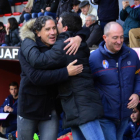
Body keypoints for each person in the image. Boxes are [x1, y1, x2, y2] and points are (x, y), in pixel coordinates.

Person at [20, 12, 105, 140]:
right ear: (38, 32)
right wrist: (65, 72)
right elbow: (36, 77)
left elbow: (81, 27)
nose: (53, 32)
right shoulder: (29, 48)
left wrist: (79, 37)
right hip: (30, 108)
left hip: (55, 109)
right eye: (47, 29)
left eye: (54, 27)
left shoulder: (65, 43)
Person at [89, 21, 140, 140]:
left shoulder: (132, 55)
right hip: (105, 116)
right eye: (115, 38)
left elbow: (138, 77)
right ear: (105, 38)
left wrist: (137, 94)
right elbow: (88, 85)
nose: (119, 41)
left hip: (125, 115)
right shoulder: (94, 59)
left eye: (122, 37)